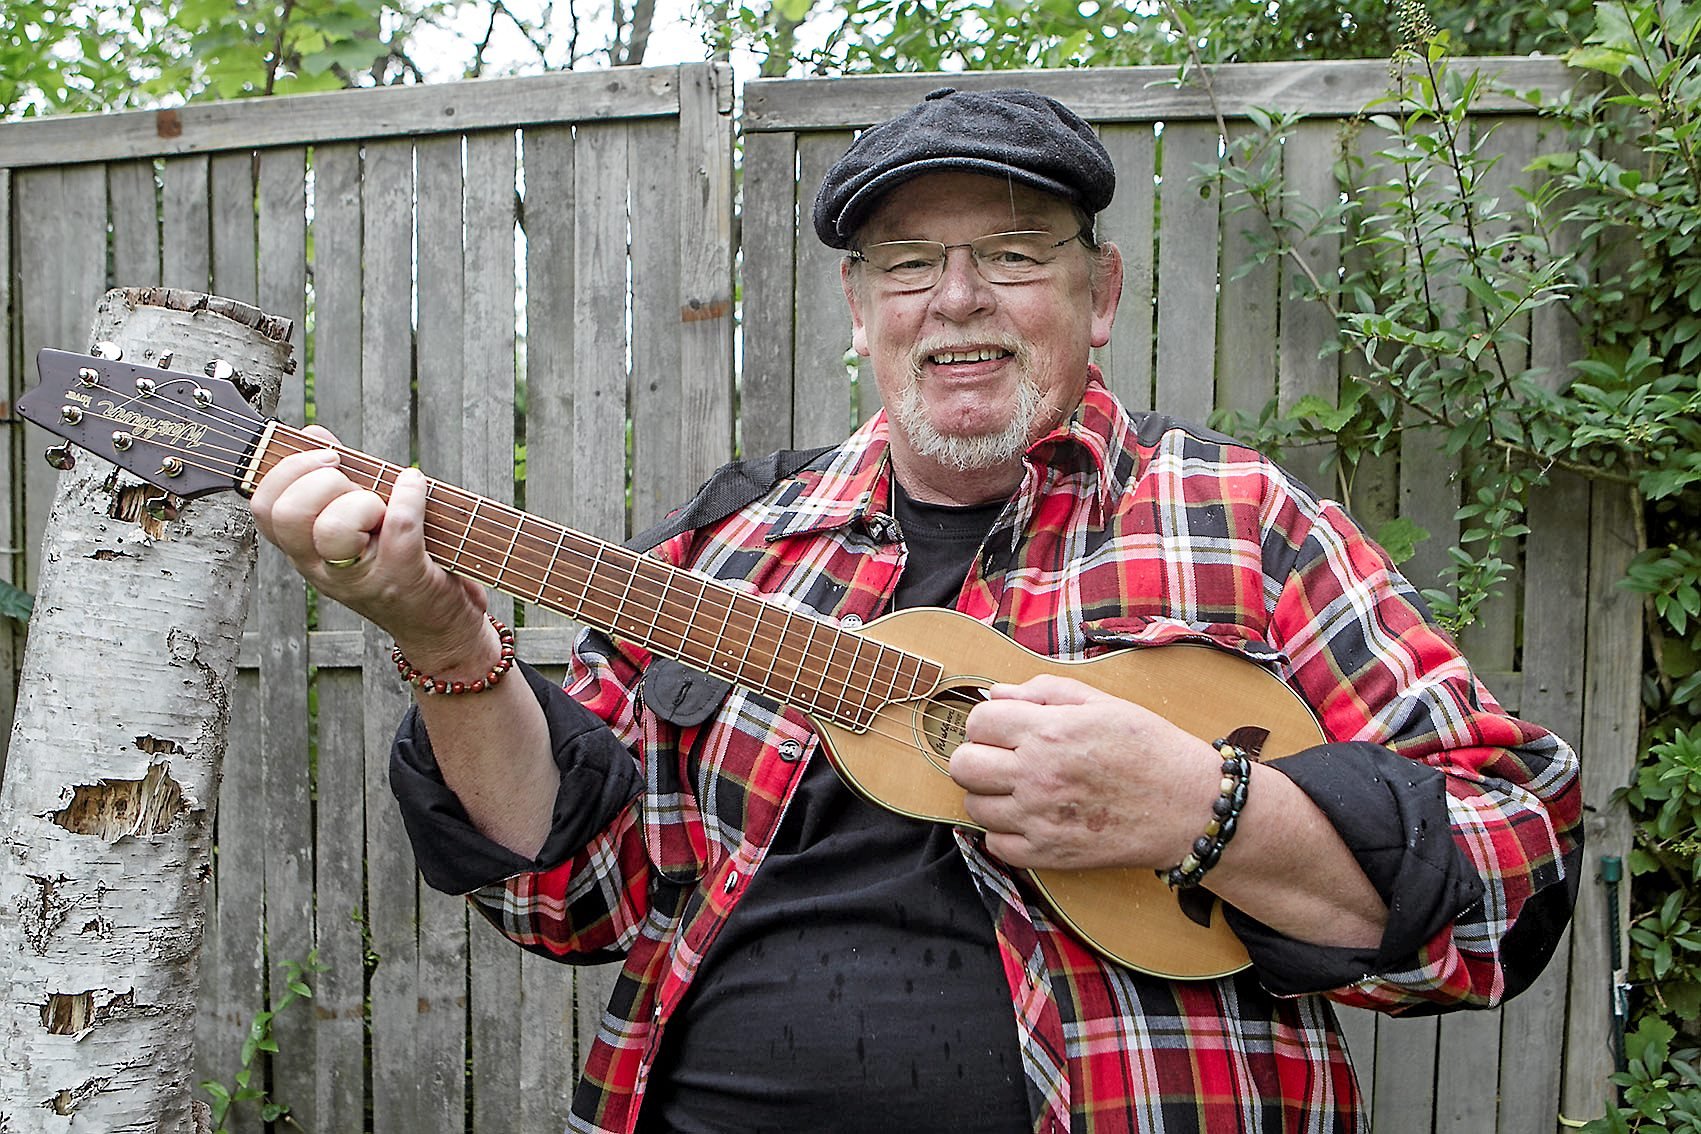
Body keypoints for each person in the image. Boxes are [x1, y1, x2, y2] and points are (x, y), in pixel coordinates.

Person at [250, 88, 1583, 1133]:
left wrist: (1202, 809)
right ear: (857, 308)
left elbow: (1508, 864)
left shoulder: (1240, 519)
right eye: (906, 266)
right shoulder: (726, 547)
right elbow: (574, 894)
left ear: (1097, 294)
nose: (954, 301)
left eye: (1009, 254)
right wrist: (443, 642)